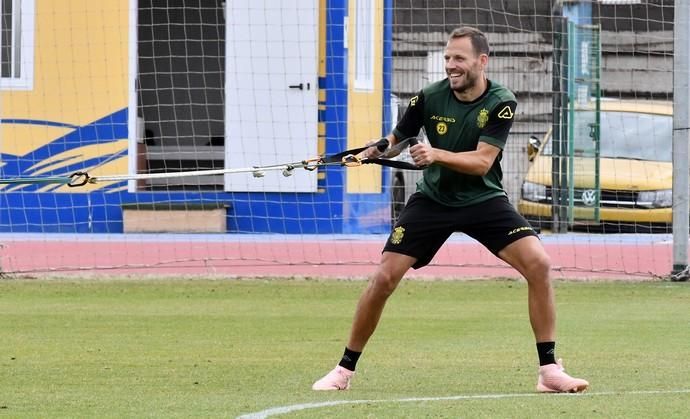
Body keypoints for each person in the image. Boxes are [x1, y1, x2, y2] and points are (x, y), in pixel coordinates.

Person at [312, 26, 589, 393]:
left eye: (459, 58)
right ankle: (343, 371)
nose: (450, 65)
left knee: (538, 264)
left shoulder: (501, 101)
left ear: (481, 61)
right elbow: (396, 140)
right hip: (434, 200)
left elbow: (482, 163)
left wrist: (435, 153)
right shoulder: (427, 97)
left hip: (483, 199)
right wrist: (369, 152)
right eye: (447, 58)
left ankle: (550, 370)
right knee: (383, 278)